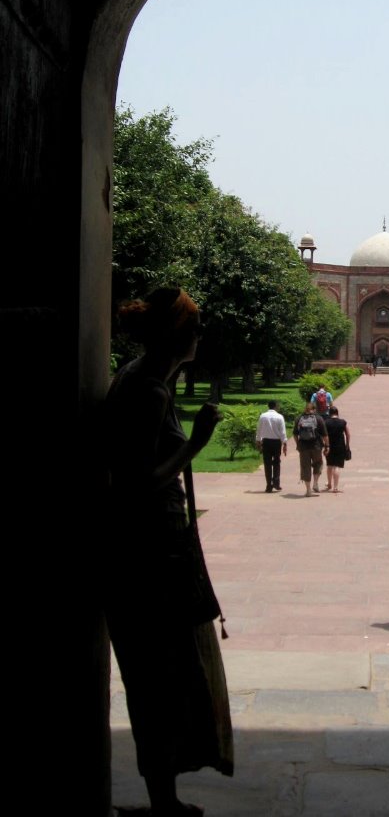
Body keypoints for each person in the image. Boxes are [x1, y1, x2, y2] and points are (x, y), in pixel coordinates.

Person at [103, 287, 233, 817]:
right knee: (162, 674)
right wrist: (196, 444)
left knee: (160, 674)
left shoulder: (141, 377)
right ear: (176, 335)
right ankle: (162, 801)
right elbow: (134, 484)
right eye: (195, 327)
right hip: (149, 552)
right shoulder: (149, 390)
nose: (201, 335)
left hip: (148, 547)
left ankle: (165, 798)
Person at [293, 402, 329, 495]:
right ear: (314, 409)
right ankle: (315, 483)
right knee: (318, 463)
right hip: (316, 446)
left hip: (303, 447)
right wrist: (327, 446)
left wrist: (298, 444)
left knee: (305, 467)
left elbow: (295, 434)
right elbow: (325, 435)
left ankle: (308, 490)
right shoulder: (318, 418)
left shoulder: (299, 418)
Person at [255, 399, 287, 492]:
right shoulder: (279, 417)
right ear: (276, 406)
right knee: (276, 462)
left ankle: (269, 485)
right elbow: (283, 431)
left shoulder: (263, 416)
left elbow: (259, 429)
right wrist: (284, 443)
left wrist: (258, 440)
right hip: (276, 442)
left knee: (267, 463)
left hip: (266, 442)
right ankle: (276, 483)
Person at [324, 405, 351, 492]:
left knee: (329, 465)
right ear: (337, 413)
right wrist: (347, 445)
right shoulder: (343, 422)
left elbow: (324, 435)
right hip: (340, 446)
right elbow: (348, 434)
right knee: (337, 466)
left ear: (329, 413)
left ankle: (329, 483)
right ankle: (335, 487)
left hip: (329, 446)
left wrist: (325, 445)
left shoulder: (326, 422)